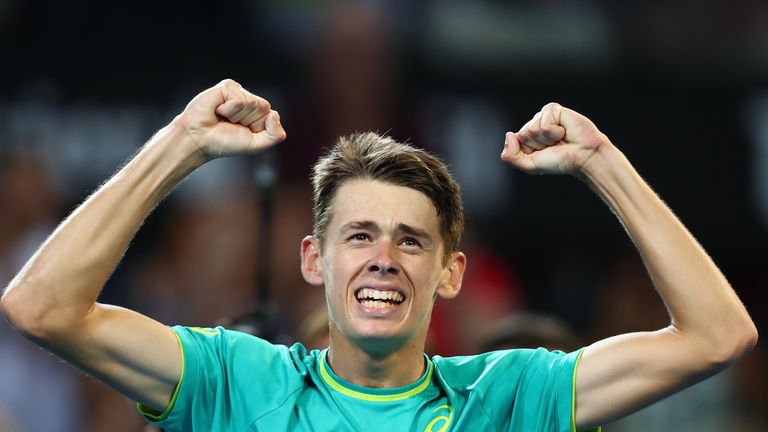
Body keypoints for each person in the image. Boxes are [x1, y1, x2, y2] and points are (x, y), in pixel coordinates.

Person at [0, 79, 757, 431]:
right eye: (358, 235)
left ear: (452, 272)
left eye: (412, 240)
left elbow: (717, 337)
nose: (384, 257)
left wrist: (603, 163)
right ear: (313, 260)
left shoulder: (508, 397)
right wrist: (180, 146)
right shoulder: (235, 380)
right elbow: (40, 308)